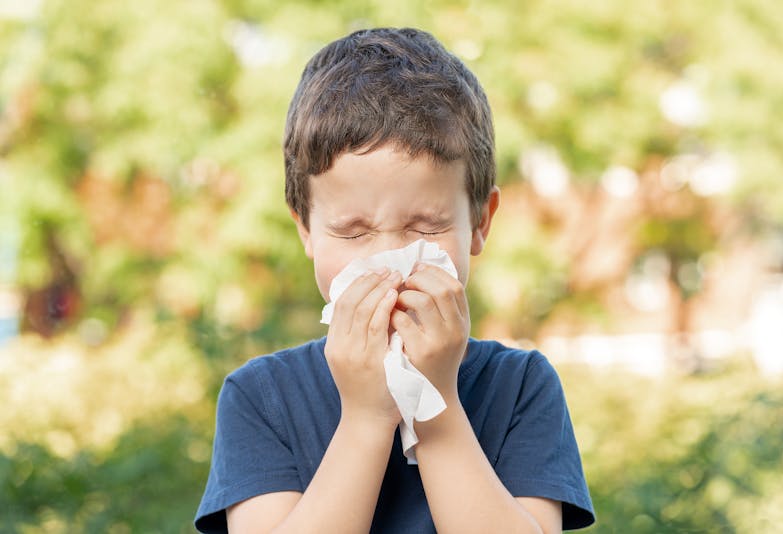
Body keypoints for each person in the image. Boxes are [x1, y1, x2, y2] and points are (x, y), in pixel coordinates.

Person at [195, 27, 594, 533]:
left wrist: (435, 406)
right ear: (306, 231)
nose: (388, 261)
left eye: (426, 227)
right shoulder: (261, 397)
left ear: (480, 221)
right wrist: (365, 418)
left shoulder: (521, 387)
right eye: (352, 231)